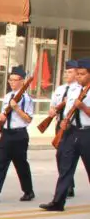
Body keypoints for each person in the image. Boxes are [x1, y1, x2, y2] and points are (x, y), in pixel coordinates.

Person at [40, 58, 90, 211]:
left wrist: (83, 107)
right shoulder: (74, 90)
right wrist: (65, 122)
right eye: (78, 74)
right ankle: (58, 202)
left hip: (87, 133)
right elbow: (68, 111)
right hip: (71, 131)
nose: (78, 77)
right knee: (65, 167)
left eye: (82, 74)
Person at [0, 66, 35, 203]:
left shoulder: (26, 99)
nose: (12, 83)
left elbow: (28, 119)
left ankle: (28, 191)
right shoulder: (7, 96)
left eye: (15, 80)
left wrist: (16, 108)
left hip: (19, 134)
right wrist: (1, 116)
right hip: (6, 133)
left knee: (21, 164)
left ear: (22, 81)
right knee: (0, 164)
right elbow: (4, 112)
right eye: (10, 80)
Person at [44, 59, 78, 198]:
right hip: (60, 125)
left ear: (77, 74)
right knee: (60, 156)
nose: (67, 74)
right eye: (66, 72)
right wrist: (52, 111)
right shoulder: (60, 89)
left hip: (73, 126)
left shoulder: (79, 90)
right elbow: (53, 106)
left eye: (70, 72)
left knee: (69, 157)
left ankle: (67, 186)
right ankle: (68, 183)